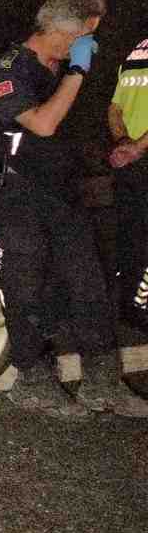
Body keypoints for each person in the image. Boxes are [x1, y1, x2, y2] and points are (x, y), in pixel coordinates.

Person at [0, 0, 147, 418]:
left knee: (91, 284)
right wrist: (77, 71)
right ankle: (31, 381)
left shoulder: (57, 69)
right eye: (88, 34)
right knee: (28, 290)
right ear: (66, 31)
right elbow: (44, 124)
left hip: (60, 194)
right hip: (16, 195)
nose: (92, 42)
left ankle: (103, 382)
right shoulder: (10, 71)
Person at [106, 36, 148, 332]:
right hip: (139, 154)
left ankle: (129, 308)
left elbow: (115, 109)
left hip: (129, 162)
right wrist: (138, 147)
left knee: (131, 236)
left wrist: (123, 143)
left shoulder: (134, 52)